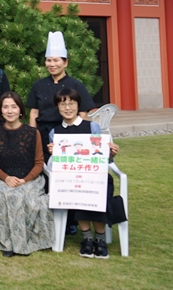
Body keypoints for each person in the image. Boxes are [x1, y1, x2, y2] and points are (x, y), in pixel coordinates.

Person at [47, 87, 123, 260]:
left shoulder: (92, 127)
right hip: (70, 178)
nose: (67, 108)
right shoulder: (55, 133)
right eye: (63, 104)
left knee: (98, 189)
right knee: (77, 190)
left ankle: (100, 240)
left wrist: (111, 153)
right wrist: (54, 153)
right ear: (57, 107)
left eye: (71, 103)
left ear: (78, 105)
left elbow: (103, 159)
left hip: (96, 175)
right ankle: (87, 238)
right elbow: (56, 165)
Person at [0, 92, 54, 257]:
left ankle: (25, 243)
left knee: (25, 198)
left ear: (20, 110)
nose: (10, 111)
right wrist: (6, 178)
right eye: (6, 107)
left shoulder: (32, 133)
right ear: (0, 111)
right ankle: (7, 243)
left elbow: (39, 163)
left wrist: (25, 180)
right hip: (4, 178)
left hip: (30, 178)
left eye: (14, 107)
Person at [28, 31, 96, 162]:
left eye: (56, 60)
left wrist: (78, 135)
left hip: (68, 134)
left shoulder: (76, 85)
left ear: (65, 63)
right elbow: (34, 112)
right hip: (42, 133)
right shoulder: (39, 85)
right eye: (48, 60)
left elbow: (83, 114)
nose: (52, 64)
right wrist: (33, 135)